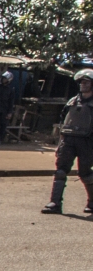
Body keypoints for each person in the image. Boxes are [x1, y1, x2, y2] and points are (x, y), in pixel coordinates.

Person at [42, 68, 93, 215]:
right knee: (60, 171)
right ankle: (55, 203)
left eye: (86, 82)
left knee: (85, 174)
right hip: (68, 140)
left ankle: (92, 202)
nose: (83, 85)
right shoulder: (72, 102)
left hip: (87, 142)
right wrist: (60, 143)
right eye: (81, 82)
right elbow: (63, 122)